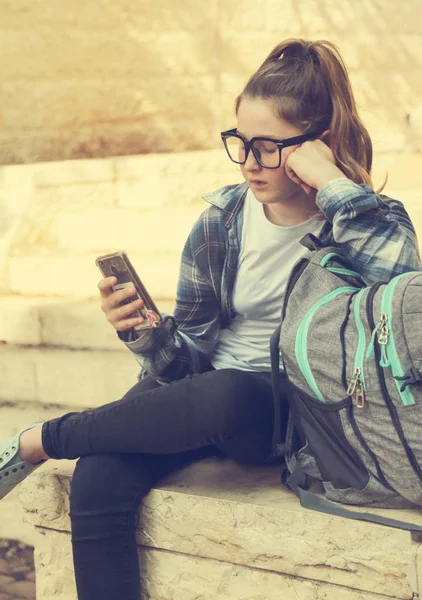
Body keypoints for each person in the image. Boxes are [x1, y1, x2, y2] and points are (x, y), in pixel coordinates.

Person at [1, 38, 420, 600]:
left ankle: (38, 440)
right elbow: (188, 360)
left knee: (227, 393)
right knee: (99, 477)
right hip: (198, 396)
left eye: (269, 147)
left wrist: (335, 186)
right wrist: (147, 334)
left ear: (314, 146)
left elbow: (403, 289)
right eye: (240, 143)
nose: (249, 163)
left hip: (289, 408)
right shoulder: (221, 222)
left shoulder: (364, 218)